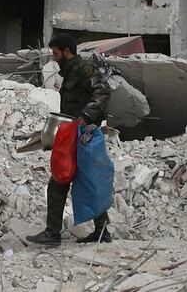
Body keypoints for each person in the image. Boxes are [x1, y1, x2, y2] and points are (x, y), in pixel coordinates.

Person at [27, 34, 112, 246]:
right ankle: (101, 231)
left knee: (59, 182)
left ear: (66, 51)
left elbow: (103, 91)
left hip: (82, 135)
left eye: (56, 53)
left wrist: (86, 117)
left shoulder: (84, 69)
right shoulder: (72, 71)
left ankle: (52, 234)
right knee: (87, 181)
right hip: (73, 134)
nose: (54, 58)